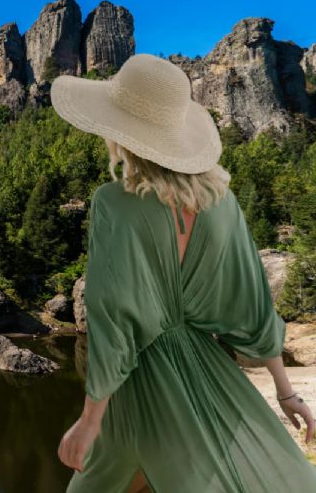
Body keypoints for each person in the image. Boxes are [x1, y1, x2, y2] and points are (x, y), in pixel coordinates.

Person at [49, 53, 316, 492]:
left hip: (138, 390)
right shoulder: (221, 201)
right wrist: (285, 391)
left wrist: (88, 421)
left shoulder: (114, 203)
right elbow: (251, 304)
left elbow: (112, 315)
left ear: (122, 134)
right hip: (206, 376)